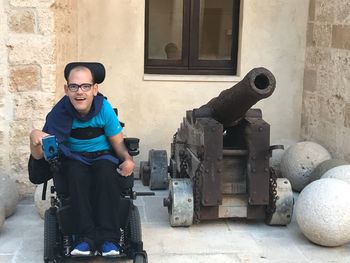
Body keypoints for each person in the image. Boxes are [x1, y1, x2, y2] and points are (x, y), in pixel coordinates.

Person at [29, 62, 135, 257]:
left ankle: (108, 239)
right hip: (74, 158)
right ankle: (84, 239)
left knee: (105, 173)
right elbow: (42, 156)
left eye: (85, 86)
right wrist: (33, 138)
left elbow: (118, 144)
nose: (80, 92)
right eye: (74, 86)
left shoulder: (104, 109)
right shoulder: (59, 113)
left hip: (103, 156)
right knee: (75, 174)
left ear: (95, 89)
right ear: (66, 89)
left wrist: (127, 159)